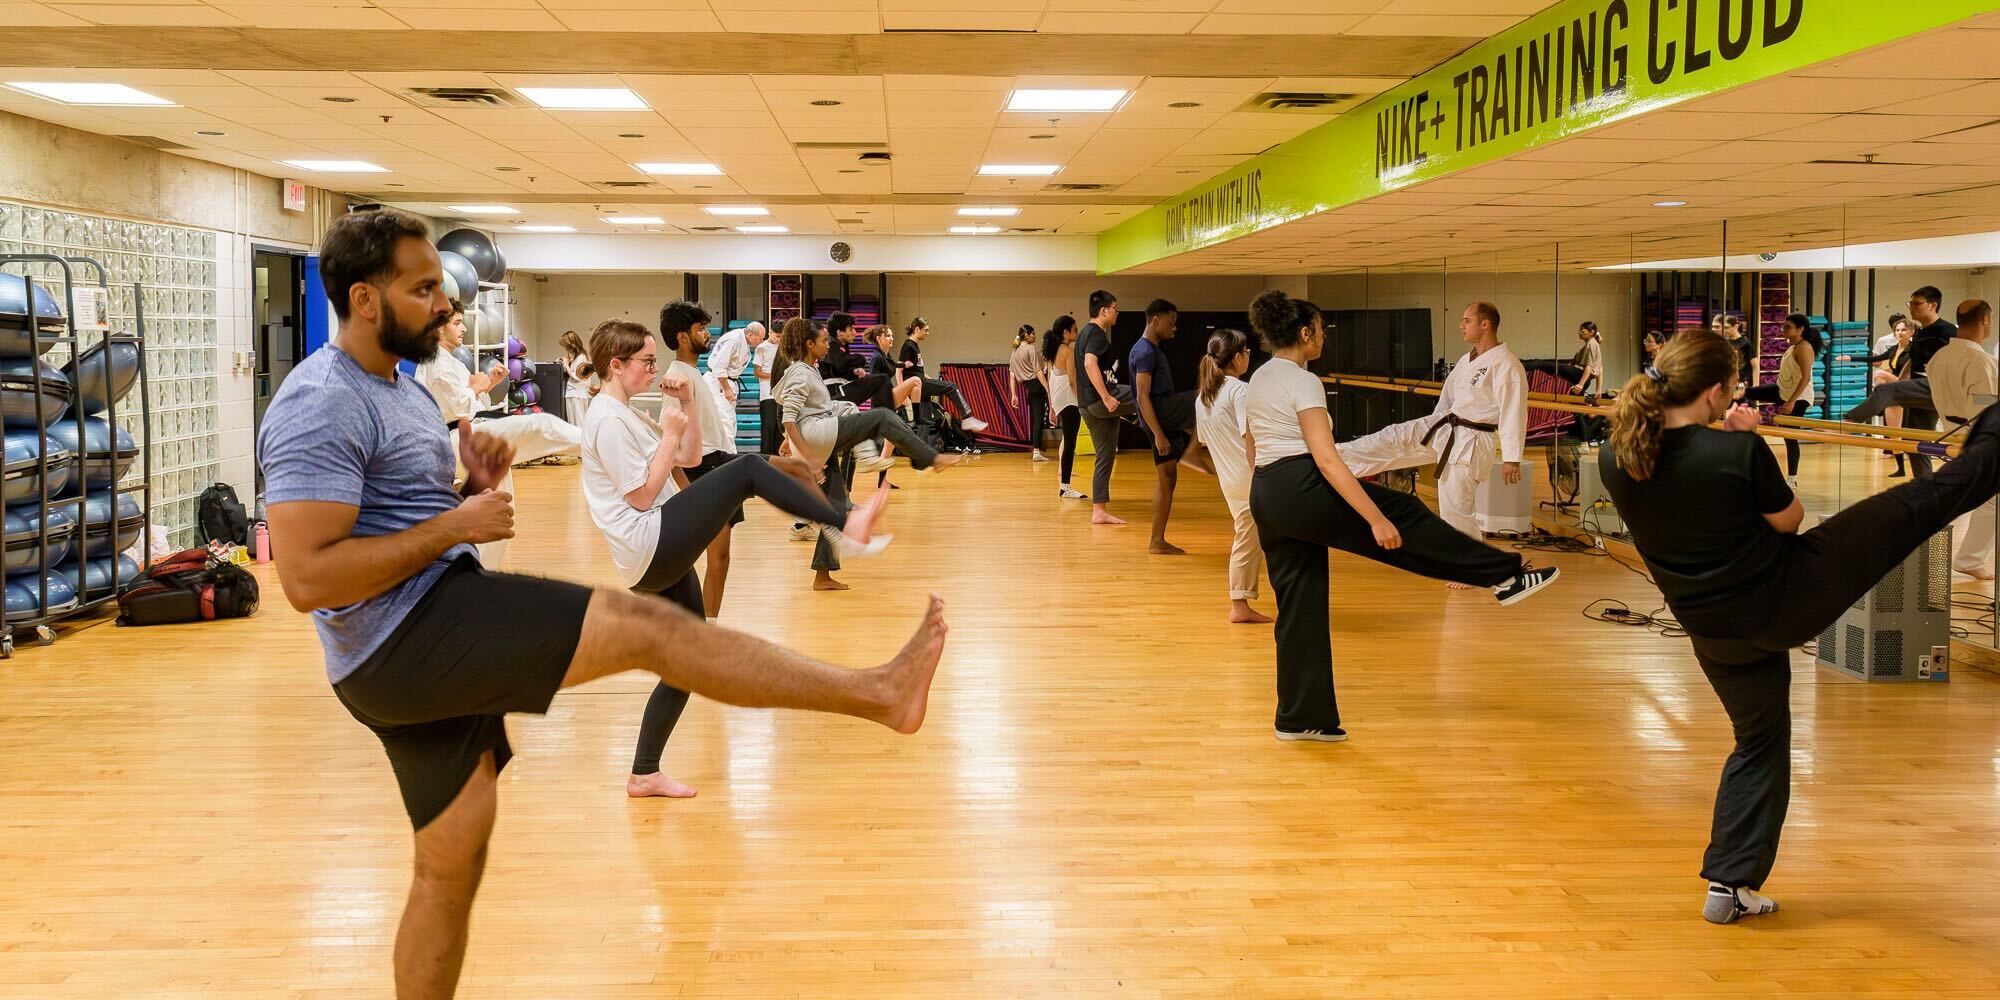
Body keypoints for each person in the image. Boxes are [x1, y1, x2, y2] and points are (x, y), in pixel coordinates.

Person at [257, 209, 949, 998]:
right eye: (423, 290)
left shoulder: (404, 394)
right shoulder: (320, 401)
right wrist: (460, 519)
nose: (445, 306)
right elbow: (307, 579)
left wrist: (464, 488)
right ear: (365, 299)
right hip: (406, 638)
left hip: (420, 632)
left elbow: (399, 518)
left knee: (448, 869)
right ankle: (879, 693)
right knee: (656, 630)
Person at [1597, 329, 2000, 926]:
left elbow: (1697, 499)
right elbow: (1789, 520)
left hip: (1712, 631)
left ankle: (1729, 886)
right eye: (1731, 389)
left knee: (1757, 744)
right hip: (1786, 597)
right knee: (1920, 504)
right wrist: (1744, 441)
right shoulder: (1734, 452)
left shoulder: (1618, 456)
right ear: (1713, 393)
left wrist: (1728, 444)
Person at [581, 316, 889, 801]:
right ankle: (842, 523)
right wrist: (666, 434)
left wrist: (684, 404)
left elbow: (688, 456)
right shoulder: (606, 418)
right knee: (748, 466)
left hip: (655, 549)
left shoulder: (624, 411)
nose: (653, 367)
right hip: (649, 540)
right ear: (615, 366)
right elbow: (640, 495)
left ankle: (644, 771)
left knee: (687, 661)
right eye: (644, 362)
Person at [1243, 290, 1559, 743]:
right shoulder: (1303, 380)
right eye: (1321, 331)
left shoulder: (1261, 377)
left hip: (1268, 491)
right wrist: (1375, 517)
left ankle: (1301, 717)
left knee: (1300, 607)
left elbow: (1254, 443)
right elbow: (1328, 460)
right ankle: (1505, 576)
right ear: (1305, 333)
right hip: (1301, 484)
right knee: (1406, 513)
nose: (1324, 340)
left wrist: (1270, 484)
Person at [775, 317, 963, 591]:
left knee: (835, 504)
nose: (829, 345)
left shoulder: (806, 368)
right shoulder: (802, 372)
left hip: (816, 436)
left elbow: (798, 414)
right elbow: (788, 418)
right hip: (817, 437)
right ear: (808, 344)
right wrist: (807, 455)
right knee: (882, 417)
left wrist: (789, 443)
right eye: (824, 341)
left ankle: (822, 576)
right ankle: (929, 458)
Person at [1337, 302, 1528, 567]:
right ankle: (1331, 461)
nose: (1461, 325)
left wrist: (1512, 458)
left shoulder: (1506, 364)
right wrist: (1431, 423)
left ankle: (1472, 566)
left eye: (1467, 320)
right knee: (1390, 438)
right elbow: (1447, 399)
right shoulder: (1467, 359)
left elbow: (1513, 412)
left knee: (1455, 505)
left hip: (1472, 440)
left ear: (1485, 324)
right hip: (1444, 426)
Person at [413, 304, 581, 569]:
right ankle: (598, 440)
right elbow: (459, 407)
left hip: (471, 431)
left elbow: (472, 399)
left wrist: (487, 383)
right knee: (541, 426)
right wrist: (477, 386)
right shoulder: (435, 362)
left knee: (500, 511)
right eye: (457, 323)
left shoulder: (451, 360)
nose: (464, 328)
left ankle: (479, 571)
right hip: (458, 437)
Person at [658, 299, 758, 617]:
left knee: (720, 558)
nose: (707, 334)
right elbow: (669, 446)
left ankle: (706, 628)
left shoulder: (691, 373)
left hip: (716, 464)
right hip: (705, 470)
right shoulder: (678, 378)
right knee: (709, 559)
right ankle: (695, 629)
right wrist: (691, 493)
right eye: (700, 329)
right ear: (683, 337)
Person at [1195, 328, 1271, 625]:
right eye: (1248, 352)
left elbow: (1204, 441)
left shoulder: (1203, 398)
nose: (1250, 357)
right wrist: (1259, 472)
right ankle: (1239, 605)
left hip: (1229, 480)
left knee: (1254, 536)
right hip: (1249, 476)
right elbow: (1248, 435)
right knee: (1250, 538)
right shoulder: (1239, 390)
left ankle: (1244, 601)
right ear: (1238, 357)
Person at [1845, 287, 1956, 479]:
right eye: (1910, 303)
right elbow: (1912, 363)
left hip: (1937, 386)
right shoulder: (1920, 333)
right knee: (1914, 443)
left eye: (1916, 303)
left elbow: (1959, 360)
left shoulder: (1947, 330)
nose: (1911, 307)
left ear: (1932, 305)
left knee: (1885, 391)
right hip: (1920, 388)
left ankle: (1848, 424)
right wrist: (1902, 383)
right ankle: (1925, 487)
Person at [1129, 298, 1211, 554]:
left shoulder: (1146, 349)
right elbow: (1142, 395)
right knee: (1204, 397)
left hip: (1161, 419)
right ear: (1156, 320)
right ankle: (1194, 452)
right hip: (1160, 415)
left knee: (1167, 478)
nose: (1175, 328)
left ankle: (1157, 541)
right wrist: (1158, 435)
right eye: (1171, 322)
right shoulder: (1145, 351)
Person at [1926, 300, 1997, 578]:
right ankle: (1969, 560)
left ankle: (1966, 558)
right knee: (1992, 501)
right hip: (1976, 439)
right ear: (1986, 320)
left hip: (1951, 432)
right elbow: (1983, 412)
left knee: (1960, 497)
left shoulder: (1939, 358)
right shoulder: (1980, 361)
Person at [1076, 290, 1135, 525]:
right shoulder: (1097, 334)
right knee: (1146, 394)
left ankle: (1098, 511)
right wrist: (1106, 397)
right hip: (1101, 400)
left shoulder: (1083, 334)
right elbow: (1090, 363)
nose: (1117, 312)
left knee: (1105, 455)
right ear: (1104, 310)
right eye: (1115, 308)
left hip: (1087, 405)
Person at [1741, 314, 1819, 487]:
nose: (1783, 330)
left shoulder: (1804, 347)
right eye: (1783, 326)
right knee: (1748, 393)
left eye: (1787, 327)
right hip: (1783, 391)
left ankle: (1792, 479)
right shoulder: (1793, 346)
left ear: (1800, 329)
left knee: (1790, 435)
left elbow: (1805, 378)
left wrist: (1791, 402)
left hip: (1799, 397)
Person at [1835, 317, 1914, 477]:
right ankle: (1901, 469)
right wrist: (1851, 358)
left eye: (1903, 330)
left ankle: (1878, 402)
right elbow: (1874, 359)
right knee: (1894, 432)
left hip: (1906, 386)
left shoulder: (1915, 349)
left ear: (1911, 332)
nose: (1899, 333)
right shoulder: (1893, 349)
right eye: (1897, 330)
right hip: (1895, 392)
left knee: (1879, 374)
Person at [895, 317, 989, 433]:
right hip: (916, 384)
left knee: (925, 420)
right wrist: (903, 392)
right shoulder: (907, 346)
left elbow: (919, 370)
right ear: (917, 329)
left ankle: (922, 448)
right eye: (926, 330)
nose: (928, 333)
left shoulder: (914, 345)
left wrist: (933, 382)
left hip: (920, 385)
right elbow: (898, 370)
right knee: (952, 387)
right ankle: (967, 418)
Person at [1042, 317, 1085, 500]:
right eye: (1074, 329)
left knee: (1067, 441)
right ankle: (1065, 487)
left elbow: (1051, 378)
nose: (1076, 332)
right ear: (1065, 333)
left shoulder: (1053, 350)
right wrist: (1081, 400)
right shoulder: (1067, 350)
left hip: (1060, 400)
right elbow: (1072, 380)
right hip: (1069, 400)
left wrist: (1052, 405)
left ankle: (1065, 485)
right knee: (1070, 443)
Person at [1009, 323, 1051, 461]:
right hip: (1037, 386)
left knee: (1035, 420)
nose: (1035, 336)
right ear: (1026, 335)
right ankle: (1037, 452)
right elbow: (1038, 372)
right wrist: (1047, 389)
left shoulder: (1014, 351)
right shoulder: (1030, 348)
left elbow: (1012, 375)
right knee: (1039, 421)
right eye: (1033, 334)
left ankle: (1036, 450)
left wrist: (1014, 395)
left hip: (1028, 388)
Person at [705, 321, 758, 406]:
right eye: (759, 338)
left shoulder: (742, 339)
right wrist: (726, 389)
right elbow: (720, 366)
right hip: (719, 382)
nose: (761, 341)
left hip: (727, 381)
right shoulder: (734, 339)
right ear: (750, 335)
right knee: (724, 417)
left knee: (729, 416)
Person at [753, 320, 779, 453]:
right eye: (777, 336)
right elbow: (756, 372)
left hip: (781, 395)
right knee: (768, 428)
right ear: (770, 333)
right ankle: (766, 461)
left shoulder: (784, 347)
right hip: (767, 394)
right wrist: (775, 375)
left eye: (782, 336)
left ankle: (780, 463)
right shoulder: (761, 347)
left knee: (780, 431)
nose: (779, 339)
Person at [560, 329, 593, 426]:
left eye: (566, 346)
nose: (566, 349)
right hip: (573, 393)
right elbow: (572, 373)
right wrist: (565, 363)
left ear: (572, 344)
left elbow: (577, 377)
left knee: (579, 423)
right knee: (573, 423)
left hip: (577, 393)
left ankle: (580, 441)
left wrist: (566, 364)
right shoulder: (576, 357)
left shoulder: (581, 357)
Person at [1571, 321, 1604, 395]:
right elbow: (1600, 367)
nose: (1579, 332)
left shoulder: (1591, 344)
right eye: (1579, 330)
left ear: (1591, 332)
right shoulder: (1592, 343)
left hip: (1581, 378)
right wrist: (1599, 389)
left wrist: (1580, 384)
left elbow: (1589, 366)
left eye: (1582, 331)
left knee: (1549, 366)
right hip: (1581, 379)